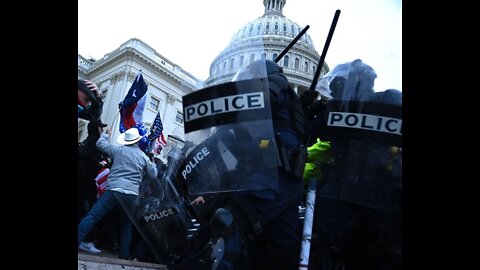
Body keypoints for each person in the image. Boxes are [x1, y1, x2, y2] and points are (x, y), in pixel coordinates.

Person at [208, 59, 308, 270]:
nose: (247, 78)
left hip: (272, 174)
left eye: (251, 73)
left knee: (231, 220)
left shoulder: (275, 82)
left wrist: (230, 105)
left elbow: (263, 99)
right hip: (282, 179)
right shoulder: (280, 112)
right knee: (279, 245)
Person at [304, 59, 402, 270]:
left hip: (381, 190)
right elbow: (305, 134)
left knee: (392, 247)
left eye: (339, 82)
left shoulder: (389, 100)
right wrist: (303, 110)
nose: (333, 87)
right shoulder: (334, 109)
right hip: (341, 190)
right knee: (316, 238)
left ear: (357, 78)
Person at [77, 127, 157, 259]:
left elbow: (100, 144)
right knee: (126, 224)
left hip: (114, 189)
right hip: (131, 194)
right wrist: (152, 164)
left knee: (93, 216)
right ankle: (124, 256)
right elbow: (153, 175)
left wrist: (106, 135)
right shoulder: (144, 157)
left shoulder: (118, 150)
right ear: (137, 141)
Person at [78, 120, 109, 253]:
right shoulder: (93, 140)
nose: (102, 130)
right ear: (96, 128)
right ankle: (85, 241)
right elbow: (84, 154)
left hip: (85, 181)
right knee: (90, 211)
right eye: (101, 127)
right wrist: (99, 163)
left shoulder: (90, 140)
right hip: (87, 181)